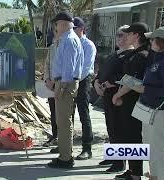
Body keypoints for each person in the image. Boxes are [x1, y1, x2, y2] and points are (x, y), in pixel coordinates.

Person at [112, 22, 151, 180]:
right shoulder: (135, 53)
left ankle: (135, 174)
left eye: (128, 33)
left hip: (133, 102)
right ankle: (132, 169)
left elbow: (133, 81)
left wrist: (117, 95)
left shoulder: (142, 55)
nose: (125, 36)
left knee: (133, 137)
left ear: (136, 35)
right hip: (128, 102)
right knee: (128, 136)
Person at [94, 25, 134, 172]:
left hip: (120, 97)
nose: (119, 38)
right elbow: (101, 73)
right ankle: (113, 157)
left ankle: (120, 163)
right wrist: (97, 83)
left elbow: (126, 75)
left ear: (130, 37)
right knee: (111, 128)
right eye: (117, 35)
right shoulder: (113, 54)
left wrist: (109, 83)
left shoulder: (131, 55)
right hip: (107, 97)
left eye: (122, 35)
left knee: (120, 130)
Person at [47, 11, 84, 169]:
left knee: (63, 122)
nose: (56, 27)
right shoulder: (68, 39)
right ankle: (64, 154)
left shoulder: (68, 40)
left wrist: (59, 88)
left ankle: (66, 158)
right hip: (65, 83)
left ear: (61, 24)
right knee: (62, 122)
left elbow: (68, 70)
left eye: (56, 24)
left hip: (65, 84)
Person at [135, 26, 164, 180]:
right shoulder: (158, 57)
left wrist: (145, 90)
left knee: (160, 149)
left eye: (153, 39)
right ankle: (155, 175)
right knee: (150, 145)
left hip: (160, 110)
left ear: (161, 41)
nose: (150, 42)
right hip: (148, 108)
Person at [73, 17, 97, 160]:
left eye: (74, 29)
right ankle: (65, 144)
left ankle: (87, 148)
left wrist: (74, 81)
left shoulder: (88, 45)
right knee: (68, 114)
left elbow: (86, 68)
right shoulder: (71, 43)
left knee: (83, 114)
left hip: (83, 81)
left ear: (81, 29)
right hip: (70, 81)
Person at [43, 28, 60, 147]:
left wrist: (54, 81)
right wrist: (47, 79)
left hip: (62, 85)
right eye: (55, 31)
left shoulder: (69, 46)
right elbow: (47, 64)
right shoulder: (52, 47)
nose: (57, 33)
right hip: (51, 86)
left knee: (63, 114)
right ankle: (55, 136)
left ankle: (63, 140)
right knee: (53, 112)